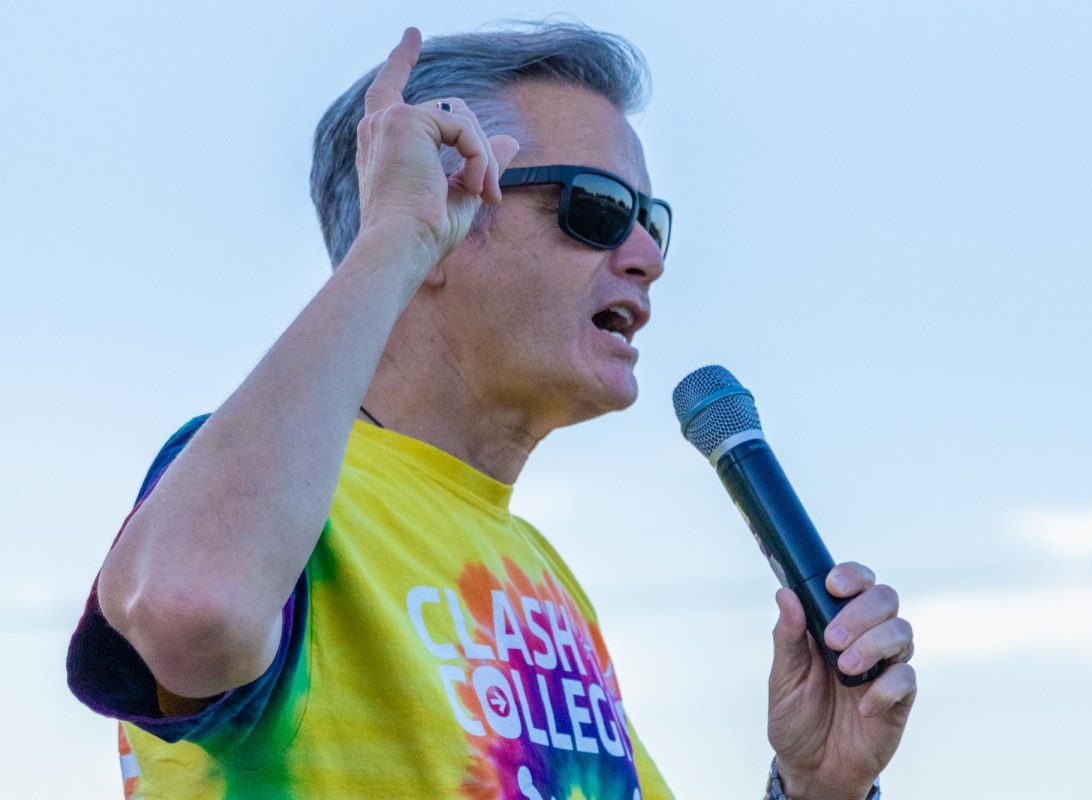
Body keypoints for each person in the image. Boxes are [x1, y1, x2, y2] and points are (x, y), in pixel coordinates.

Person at [67, 22, 916, 800]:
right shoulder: (272, 495)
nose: (648, 257)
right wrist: (391, 239)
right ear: (440, 207)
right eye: (598, 209)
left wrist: (815, 788)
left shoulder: (540, 571)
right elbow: (188, 608)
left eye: (654, 220)